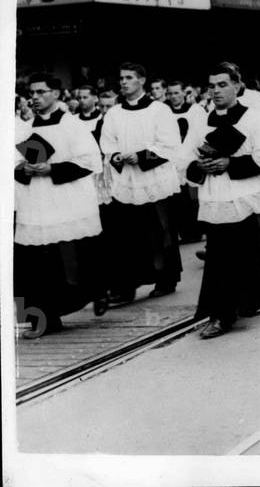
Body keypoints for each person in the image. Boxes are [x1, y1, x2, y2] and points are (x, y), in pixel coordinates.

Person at [183, 63, 260, 338]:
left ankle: (224, 314)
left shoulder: (253, 118)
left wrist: (230, 162)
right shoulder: (200, 120)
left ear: (238, 86)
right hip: (214, 195)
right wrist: (200, 167)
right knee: (224, 251)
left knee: (241, 249)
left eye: (222, 84)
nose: (216, 91)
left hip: (243, 193)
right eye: (212, 86)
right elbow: (183, 160)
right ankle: (243, 301)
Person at [14, 74, 108, 336]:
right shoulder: (24, 128)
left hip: (67, 200)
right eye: (31, 92)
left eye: (41, 91)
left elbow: (90, 162)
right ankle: (41, 319)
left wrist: (51, 168)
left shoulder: (73, 126)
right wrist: (25, 168)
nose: (34, 97)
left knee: (72, 257)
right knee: (33, 261)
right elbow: (11, 163)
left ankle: (96, 292)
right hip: (36, 201)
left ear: (56, 94)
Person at [100, 62, 183, 303]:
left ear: (142, 80)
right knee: (127, 234)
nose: (123, 82)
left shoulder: (159, 110)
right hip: (126, 178)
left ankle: (166, 278)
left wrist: (142, 156)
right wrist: (115, 155)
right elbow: (108, 142)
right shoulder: (115, 113)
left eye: (128, 78)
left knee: (160, 230)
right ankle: (127, 285)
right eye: (121, 78)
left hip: (153, 177)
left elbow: (169, 143)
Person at [165, 80, 207, 244]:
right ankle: (182, 231)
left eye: (177, 93)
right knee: (177, 198)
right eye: (170, 93)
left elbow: (199, 134)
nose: (174, 96)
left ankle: (196, 231)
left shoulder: (196, 111)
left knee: (193, 198)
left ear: (184, 93)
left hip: (190, 156)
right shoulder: (165, 112)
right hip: (172, 159)